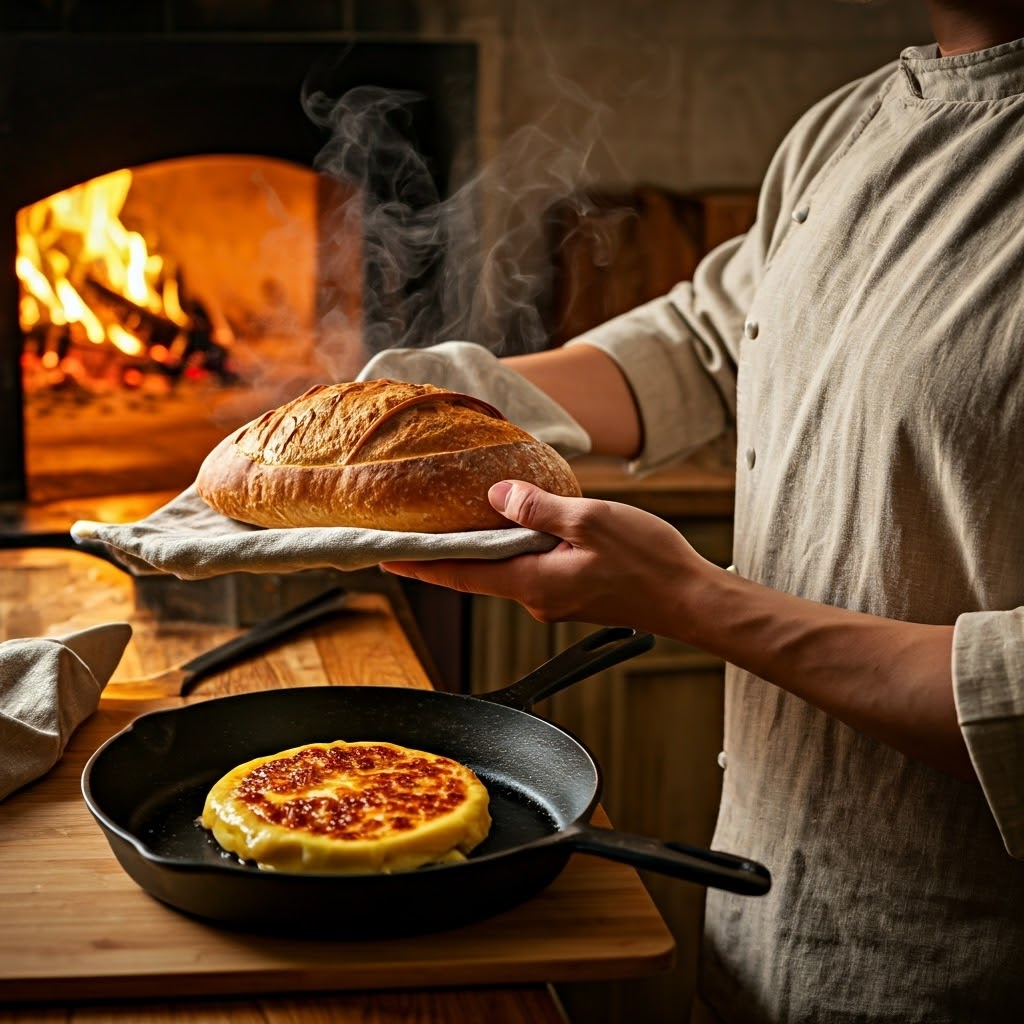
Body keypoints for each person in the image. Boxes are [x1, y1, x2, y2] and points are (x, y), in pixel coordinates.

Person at [373, 3, 1024, 1022]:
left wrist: (694, 602)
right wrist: (432, 413)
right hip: (758, 925)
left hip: (964, 964)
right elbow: (711, 342)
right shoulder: (847, 125)